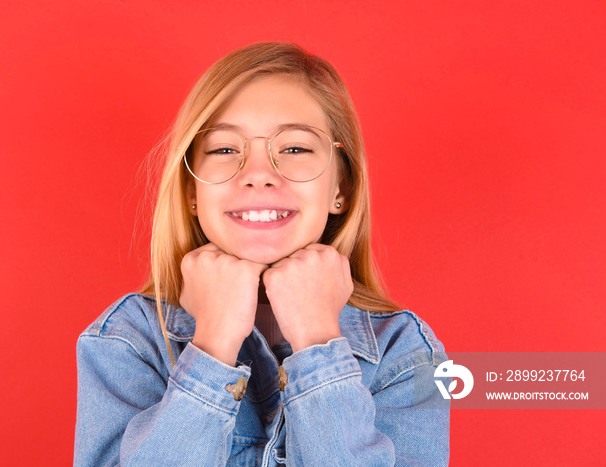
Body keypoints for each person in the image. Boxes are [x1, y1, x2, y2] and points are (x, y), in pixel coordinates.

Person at [74, 42, 449, 466]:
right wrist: (212, 346)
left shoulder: (406, 350)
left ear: (340, 189)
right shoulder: (128, 340)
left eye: (294, 148)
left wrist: (317, 341)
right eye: (223, 149)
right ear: (191, 192)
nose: (257, 176)